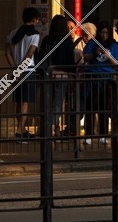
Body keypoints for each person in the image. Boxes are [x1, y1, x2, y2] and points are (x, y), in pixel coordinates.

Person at [82, 20, 118, 146]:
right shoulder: (92, 43)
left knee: (104, 107)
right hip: (93, 76)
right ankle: (88, 134)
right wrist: (95, 53)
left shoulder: (113, 45)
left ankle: (104, 133)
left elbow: (117, 64)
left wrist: (107, 55)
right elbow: (85, 57)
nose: (104, 35)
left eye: (106, 33)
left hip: (107, 78)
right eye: (102, 32)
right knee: (90, 107)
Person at [36, 15, 77, 137]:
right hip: (62, 76)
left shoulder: (46, 40)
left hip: (48, 76)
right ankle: (52, 128)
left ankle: (46, 128)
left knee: (46, 103)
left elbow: (40, 59)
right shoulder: (67, 41)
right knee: (58, 104)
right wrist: (71, 75)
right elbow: (70, 62)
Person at [6, 7, 43, 138]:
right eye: (37, 19)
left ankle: (22, 129)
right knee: (24, 102)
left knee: (19, 101)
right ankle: (19, 131)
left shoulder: (13, 33)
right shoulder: (35, 35)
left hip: (16, 71)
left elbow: (8, 52)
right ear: (34, 19)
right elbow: (29, 54)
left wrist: (15, 68)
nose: (38, 21)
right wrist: (21, 69)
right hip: (27, 71)